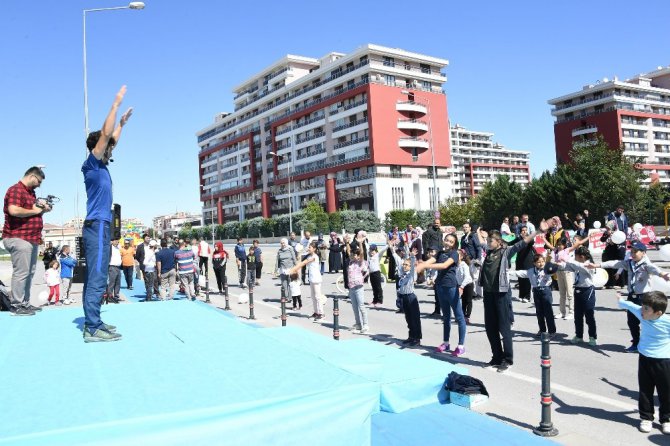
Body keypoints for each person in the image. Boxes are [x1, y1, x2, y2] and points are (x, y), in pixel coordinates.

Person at [81, 86, 131, 341]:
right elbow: (105, 135)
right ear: (98, 148)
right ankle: (92, 328)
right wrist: (115, 105)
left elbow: (112, 139)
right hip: (97, 225)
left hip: (100, 225)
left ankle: (94, 321)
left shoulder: (100, 166)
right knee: (98, 278)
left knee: (94, 277)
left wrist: (122, 124)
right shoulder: (91, 163)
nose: (111, 149)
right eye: (107, 146)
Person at [476, 220, 548, 372]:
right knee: (490, 328)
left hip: (501, 294)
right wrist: (478, 232)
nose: (488, 243)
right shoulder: (488, 252)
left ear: (499, 242)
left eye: (491, 241)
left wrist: (538, 231)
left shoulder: (505, 252)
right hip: (489, 294)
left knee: (504, 328)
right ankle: (496, 357)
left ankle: (507, 360)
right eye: (488, 240)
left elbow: (521, 244)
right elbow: (481, 242)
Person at [591, 241, 670, 353]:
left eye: (635, 251)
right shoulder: (629, 263)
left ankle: (649, 343)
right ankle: (636, 343)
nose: (632, 254)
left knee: (647, 322)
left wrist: (663, 275)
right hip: (631, 297)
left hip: (644, 297)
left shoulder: (646, 265)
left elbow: (656, 270)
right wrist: (598, 265)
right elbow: (615, 263)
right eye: (631, 251)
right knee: (632, 322)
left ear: (643, 253)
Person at [616, 291, 670, 434]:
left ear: (658, 313)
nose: (642, 310)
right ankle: (646, 418)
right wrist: (620, 300)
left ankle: (666, 419)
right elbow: (630, 305)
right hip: (645, 359)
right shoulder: (641, 313)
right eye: (642, 306)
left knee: (666, 391)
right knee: (645, 390)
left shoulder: (667, 322)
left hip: (664, 361)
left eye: (646, 308)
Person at [3, 166, 51, 315]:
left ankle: (24, 303)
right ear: (31, 176)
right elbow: (14, 210)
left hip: (31, 238)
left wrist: (43, 209)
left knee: (29, 272)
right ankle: (17, 305)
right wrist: (35, 210)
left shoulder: (30, 193)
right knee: (22, 272)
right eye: (38, 181)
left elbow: (33, 211)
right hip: (18, 237)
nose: (39, 185)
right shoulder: (16, 190)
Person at [423, 233, 466, 357]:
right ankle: (446, 343)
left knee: (459, 317)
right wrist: (421, 263)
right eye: (446, 240)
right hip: (440, 287)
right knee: (446, 317)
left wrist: (425, 265)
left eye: (451, 241)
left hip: (451, 287)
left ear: (454, 244)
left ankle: (461, 346)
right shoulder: (440, 253)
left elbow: (444, 265)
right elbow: (430, 260)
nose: (447, 243)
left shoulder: (455, 254)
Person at [559, 245, 598, 346]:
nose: (574, 258)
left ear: (582, 256)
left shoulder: (589, 264)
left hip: (587, 291)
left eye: (575, 256)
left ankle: (592, 337)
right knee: (578, 316)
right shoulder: (577, 263)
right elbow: (568, 266)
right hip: (578, 290)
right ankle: (579, 336)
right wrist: (557, 265)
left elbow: (579, 266)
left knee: (589, 316)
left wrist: (567, 259)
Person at [517, 254, 556, 339]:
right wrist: (508, 272)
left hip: (546, 290)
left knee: (548, 312)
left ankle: (552, 331)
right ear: (534, 263)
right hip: (536, 291)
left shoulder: (547, 269)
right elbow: (522, 273)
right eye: (538, 262)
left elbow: (554, 270)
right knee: (539, 312)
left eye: (542, 261)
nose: (541, 263)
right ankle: (542, 330)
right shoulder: (531, 271)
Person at [392, 245, 421, 346]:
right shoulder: (402, 273)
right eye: (404, 265)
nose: (404, 266)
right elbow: (397, 259)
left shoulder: (412, 274)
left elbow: (413, 266)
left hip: (410, 297)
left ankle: (417, 338)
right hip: (403, 297)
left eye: (406, 265)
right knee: (408, 318)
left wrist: (412, 257)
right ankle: (411, 336)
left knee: (415, 318)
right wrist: (391, 248)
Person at [290, 241, 324, 320]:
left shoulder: (315, 256)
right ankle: (316, 312)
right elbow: (300, 261)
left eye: (310, 247)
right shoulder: (309, 256)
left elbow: (304, 263)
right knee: (313, 297)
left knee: (317, 297)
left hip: (316, 279)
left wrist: (293, 270)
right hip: (311, 279)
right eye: (308, 247)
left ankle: (321, 313)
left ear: (314, 249)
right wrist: (299, 253)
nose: (308, 248)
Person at [347, 247, 370, 334]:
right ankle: (358, 324)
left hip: (359, 287)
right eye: (352, 255)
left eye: (355, 255)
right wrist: (347, 243)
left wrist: (360, 243)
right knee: (354, 308)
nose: (353, 256)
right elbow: (349, 251)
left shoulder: (360, 263)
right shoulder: (350, 262)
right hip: (352, 287)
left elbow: (362, 254)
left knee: (361, 306)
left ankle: (365, 325)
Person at [461, 222, 483, 299]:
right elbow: (462, 249)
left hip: (474, 259)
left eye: (466, 227)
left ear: (470, 228)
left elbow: (479, 248)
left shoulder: (473, 236)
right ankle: (472, 293)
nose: (465, 228)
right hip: (466, 260)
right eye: (464, 227)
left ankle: (479, 294)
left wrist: (478, 259)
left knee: (476, 277)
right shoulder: (463, 238)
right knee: (469, 277)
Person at [456, 250, 474, 324]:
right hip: (461, 285)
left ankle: (467, 316)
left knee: (468, 301)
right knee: (463, 301)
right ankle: (462, 316)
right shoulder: (456, 265)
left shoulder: (464, 265)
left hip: (468, 284)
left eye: (457, 255)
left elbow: (467, 277)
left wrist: (462, 287)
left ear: (461, 257)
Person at [106, 238, 122, 303]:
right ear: (112, 241)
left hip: (118, 267)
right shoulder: (110, 247)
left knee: (118, 282)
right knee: (112, 282)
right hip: (112, 266)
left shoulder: (118, 248)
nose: (117, 242)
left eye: (118, 241)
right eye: (116, 241)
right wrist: (110, 243)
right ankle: (109, 296)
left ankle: (116, 296)